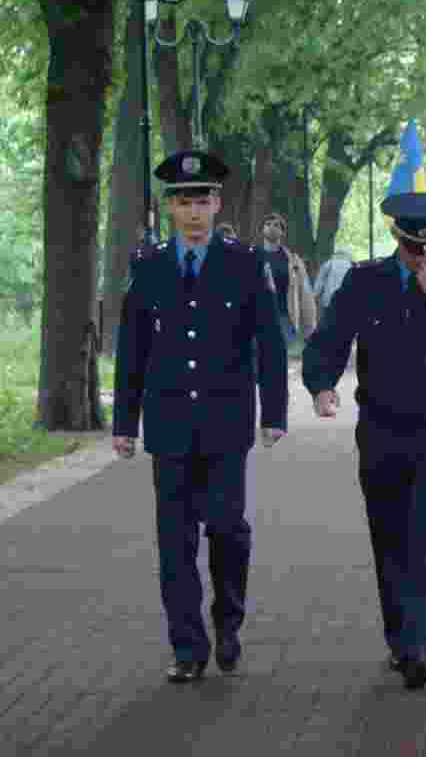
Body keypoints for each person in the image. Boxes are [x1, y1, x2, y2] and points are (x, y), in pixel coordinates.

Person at [112, 150, 288, 683]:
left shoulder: (244, 263)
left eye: (203, 200)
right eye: (184, 201)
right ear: (171, 208)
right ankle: (187, 647)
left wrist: (274, 412)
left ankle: (227, 622)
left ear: (217, 205)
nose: (194, 211)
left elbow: (270, 344)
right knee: (175, 541)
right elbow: (133, 349)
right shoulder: (149, 265)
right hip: (168, 427)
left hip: (226, 424)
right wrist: (124, 423)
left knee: (229, 530)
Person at [302, 191, 426, 690]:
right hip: (381, 430)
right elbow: (331, 336)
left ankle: (417, 643)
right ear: (396, 238)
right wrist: (321, 385)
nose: (422, 258)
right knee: (390, 538)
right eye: (412, 249)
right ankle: (400, 633)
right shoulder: (367, 281)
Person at [255, 212, 317, 344]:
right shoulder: (251, 257)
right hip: (257, 319)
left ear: (282, 232)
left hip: (285, 320)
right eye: (268, 224)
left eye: (277, 225)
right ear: (262, 230)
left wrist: (309, 329)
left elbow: (305, 295)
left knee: (281, 361)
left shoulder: (293, 261)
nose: (272, 227)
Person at [313, 248, 355, 319]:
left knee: (328, 321)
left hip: (329, 299)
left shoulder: (329, 264)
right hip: (346, 300)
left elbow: (320, 282)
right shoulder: (351, 266)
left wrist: (314, 295)